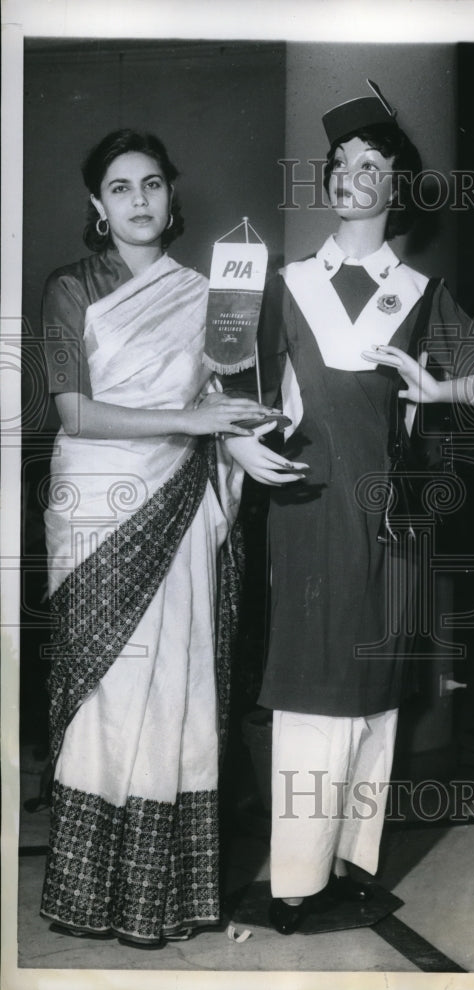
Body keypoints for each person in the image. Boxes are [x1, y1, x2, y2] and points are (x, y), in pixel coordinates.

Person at [227, 84, 474, 934]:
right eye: (345, 165)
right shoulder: (282, 285)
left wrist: (447, 385)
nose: (357, 176)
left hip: (390, 517)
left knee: (378, 695)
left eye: (376, 165)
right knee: (313, 687)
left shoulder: (421, 292)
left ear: (397, 189)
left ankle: (351, 868)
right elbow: (228, 390)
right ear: (327, 185)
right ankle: (294, 881)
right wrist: (236, 446)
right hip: (309, 506)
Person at [39, 129, 297, 947]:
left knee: (177, 682)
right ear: (96, 206)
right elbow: (74, 411)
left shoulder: (208, 293)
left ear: (170, 196)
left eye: (152, 184)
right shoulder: (69, 288)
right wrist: (195, 420)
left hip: (182, 501)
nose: (139, 200)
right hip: (95, 501)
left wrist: (247, 436)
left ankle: (167, 895)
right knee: (106, 689)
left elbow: (234, 396)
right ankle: (89, 892)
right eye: (120, 188)